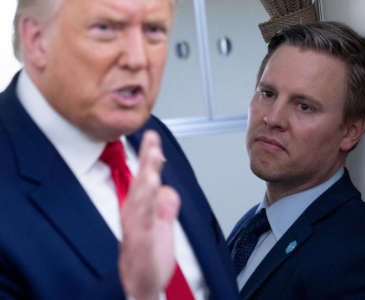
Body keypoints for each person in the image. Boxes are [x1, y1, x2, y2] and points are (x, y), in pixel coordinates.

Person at [0, 0, 239, 299]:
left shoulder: (152, 134)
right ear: (37, 41)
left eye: (154, 30)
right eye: (106, 29)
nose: (138, 59)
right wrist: (134, 291)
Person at [228, 21, 365, 300]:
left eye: (304, 106)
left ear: (350, 132)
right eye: (267, 94)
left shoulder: (360, 258)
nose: (272, 118)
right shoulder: (255, 224)